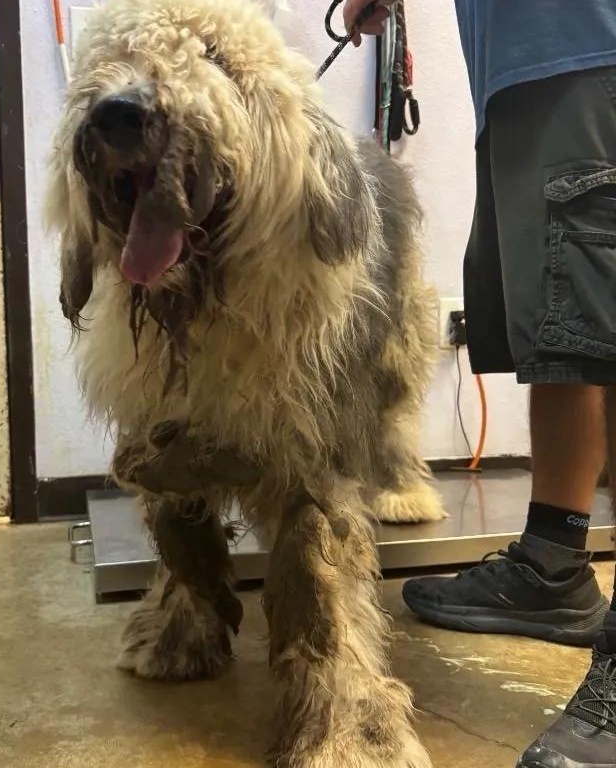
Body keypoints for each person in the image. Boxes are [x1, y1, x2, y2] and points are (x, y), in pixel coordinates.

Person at [344, 1, 616, 766]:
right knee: (567, 330)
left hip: (591, 49)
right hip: (527, 66)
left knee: (609, 331)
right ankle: (553, 565)